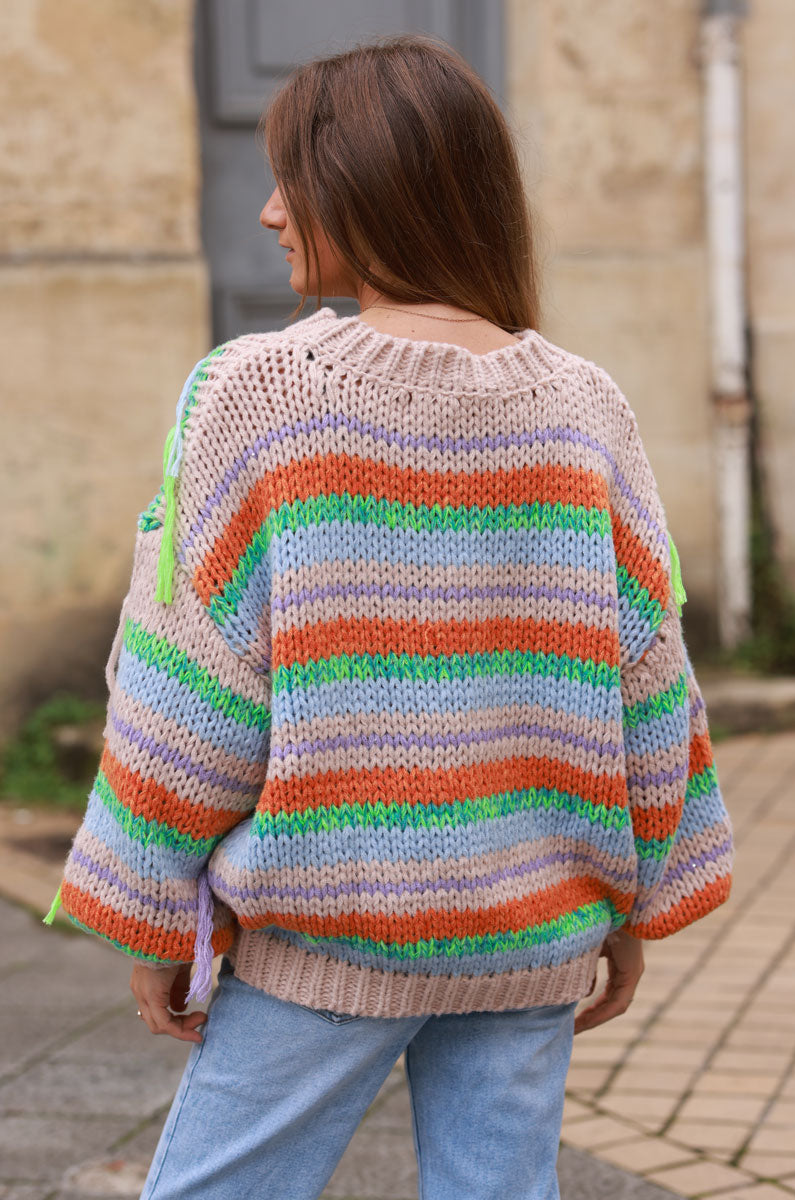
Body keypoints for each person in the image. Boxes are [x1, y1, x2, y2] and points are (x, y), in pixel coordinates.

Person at [47, 32, 734, 1200]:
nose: (268, 213)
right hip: (529, 938)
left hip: (321, 945)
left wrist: (155, 914)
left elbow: (190, 687)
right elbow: (647, 679)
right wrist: (629, 901)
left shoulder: (252, 394)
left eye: (292, 181)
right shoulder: (586, 408)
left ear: (373, 188)